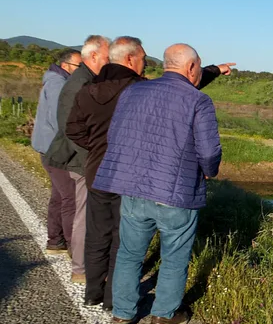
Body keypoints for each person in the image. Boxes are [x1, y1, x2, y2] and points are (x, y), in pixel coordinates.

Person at [66, 36, 234, 310]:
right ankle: (163, 315)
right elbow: (208, 152)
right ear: (191, 67)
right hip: (175, 191)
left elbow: (116, 135)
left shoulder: (133, 92)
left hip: (129, 186)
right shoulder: (198, 100)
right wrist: (208, 171)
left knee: (128, 252)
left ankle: (120, 312)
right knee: (174, 256)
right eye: (200, 68)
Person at [44, 35, 110, 285]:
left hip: (80, 158)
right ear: (93, 56)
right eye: (106, 57)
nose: (109, 61)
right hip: (78, 160)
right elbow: (70, 129)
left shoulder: (87, 80)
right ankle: (81, 268)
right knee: (83, 212)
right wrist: (91, 161)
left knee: (80, 210)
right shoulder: (79, 84)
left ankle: (83, 263)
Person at [31, 49, 81, 256]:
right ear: (65, 66)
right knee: (71, 198)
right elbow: (61, 121)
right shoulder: (59, 85)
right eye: (79, 67)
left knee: (59, 196)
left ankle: (56, 240)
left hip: (49, 148)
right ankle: (73, 247)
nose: (81, 71)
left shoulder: (54, 81)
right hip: (55, 150)